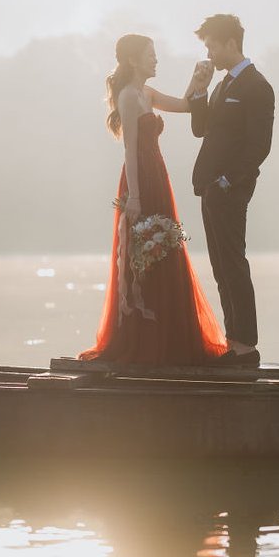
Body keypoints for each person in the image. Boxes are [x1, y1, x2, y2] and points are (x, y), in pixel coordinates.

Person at [79, 34, 227, 365]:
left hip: (159, 176)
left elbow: (187, 105)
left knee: (166, 252)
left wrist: (200, 78)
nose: (156, 60)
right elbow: (129, 148)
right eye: (150, 55)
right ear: (133, 60)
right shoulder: (129, 96)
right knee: (143, 256)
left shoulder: (147, 93)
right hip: (139, 180)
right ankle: (146, 340)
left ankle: (174, 338)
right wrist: (134, 197)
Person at [187, 14, 274, 368]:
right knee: (221, 266)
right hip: (210, 188)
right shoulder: (223, 85)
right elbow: (200, 129)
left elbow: (259, 146)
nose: (209, 53)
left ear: (230, 44)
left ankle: (246, 347)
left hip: (231, 189)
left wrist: (227, 181)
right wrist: (198, 91)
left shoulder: (257, 86)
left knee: (234, 263)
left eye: (211, 45)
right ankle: (232, 340)